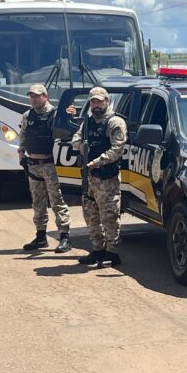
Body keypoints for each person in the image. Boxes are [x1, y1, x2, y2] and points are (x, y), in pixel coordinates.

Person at [68, 87, 127, 266]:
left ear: (107, 101)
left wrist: (97, 161)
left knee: (109, 216)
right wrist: (81, 146)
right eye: (93, 101)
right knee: (90, 215)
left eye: (99, 101)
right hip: (90, 177)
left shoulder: (115, 122)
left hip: (106, 178)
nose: (96, 105)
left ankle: (112, 252)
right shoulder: (88, 122)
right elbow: (76, 139)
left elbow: (117, 150)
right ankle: (97, 250)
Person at [19, 83, 71, 252]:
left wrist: (72, 113)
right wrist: (21, 153)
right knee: (38, 202)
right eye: (31, 96)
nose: (33, 99)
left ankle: (64, 236)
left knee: (57, 201)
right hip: (33, 164)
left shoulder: (56, 115)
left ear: (45, 96)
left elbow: (67, 133)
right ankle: (41, 237)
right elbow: (23, 136)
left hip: (50, 164)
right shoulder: (27, 115)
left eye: (37, 96)